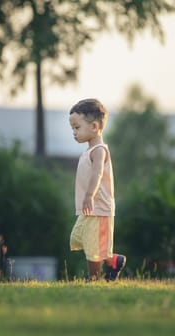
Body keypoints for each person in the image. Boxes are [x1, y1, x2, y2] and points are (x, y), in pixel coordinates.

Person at [68, 98, 126, 281]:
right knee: (78, 238)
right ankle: (112, 260)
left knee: (93, 245)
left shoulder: (99, 150)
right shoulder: (88, 151)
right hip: (89, 208)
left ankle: (94, 278)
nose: (74, 132)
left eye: (77, 128)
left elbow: (98, 173)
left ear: (94, 126)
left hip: (98, 206)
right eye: (73, 129)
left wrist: (89, 195)